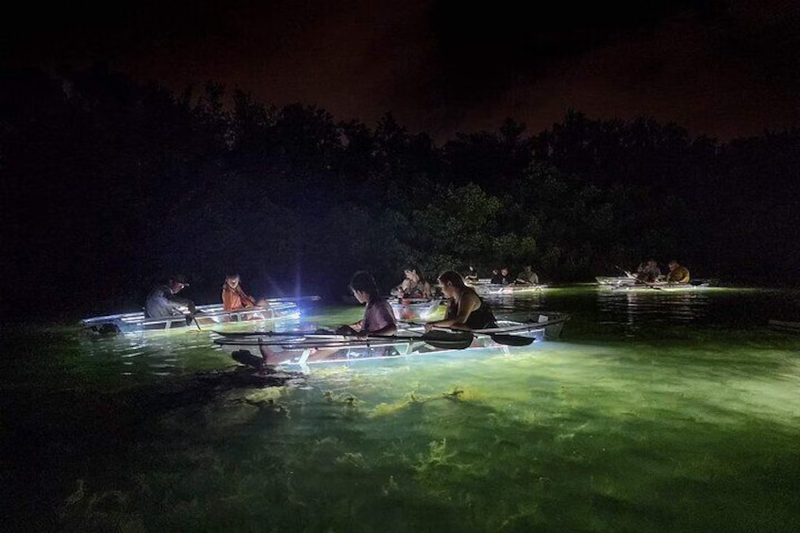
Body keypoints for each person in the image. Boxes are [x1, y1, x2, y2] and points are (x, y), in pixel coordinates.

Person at [257, 271, 397, 366]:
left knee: (335, 340)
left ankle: (281, 358)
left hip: (372, 349)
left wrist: (368, 335)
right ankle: (285, 356)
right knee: (323, 334)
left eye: (354, 293)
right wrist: (353, 327)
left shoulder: (379, 305)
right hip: (366, 345)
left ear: (360, 291)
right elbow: (370, 324)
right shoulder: (371, 304)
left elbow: (392, 328)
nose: (355, 296)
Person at [425, 270, 497, 331]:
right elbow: (446, 320)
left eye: (442, 287)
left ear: (449, 284)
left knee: (456, 326)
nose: (442, 291)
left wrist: (433, 323)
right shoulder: (451, 300)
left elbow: (461, 319)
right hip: (463, 334)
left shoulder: (468, 296)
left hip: (484, 332)